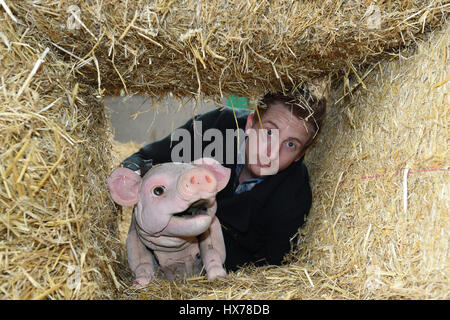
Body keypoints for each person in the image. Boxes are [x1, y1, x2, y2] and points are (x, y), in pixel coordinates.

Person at [121, 87, 326, 271]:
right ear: (251, 123)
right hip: (159, 249)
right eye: (269, 132)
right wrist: (129, 172)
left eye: (291, 145)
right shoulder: (217, 126)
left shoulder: (294, 198)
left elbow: (268, 270)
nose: (272, 153)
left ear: (300, 155)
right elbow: (150, 156)